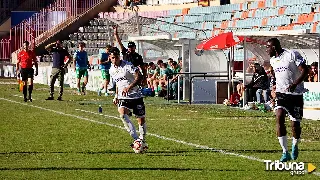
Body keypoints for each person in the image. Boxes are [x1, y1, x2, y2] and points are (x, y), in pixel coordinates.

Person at [266, 38, 308, 162]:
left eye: (268, 47)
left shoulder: (291, 54)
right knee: (279, 116)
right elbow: (274, 75)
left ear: (274, 47)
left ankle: (295, 145)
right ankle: (285, 152)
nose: (266, 49)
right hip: (281, 94)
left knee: (295, 125)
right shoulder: (273, 60)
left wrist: (295, 84)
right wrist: (273, 87)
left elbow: (305, 70)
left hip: (295, 95)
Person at [109, 47, 148, 151]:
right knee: (122, 114)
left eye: (116, 57)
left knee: (140, 120)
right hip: (123, 97)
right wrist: (116, 96)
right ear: (110, 58)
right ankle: (136, 139)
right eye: (113, 58)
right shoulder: (111, 69)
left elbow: (139, 76)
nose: (115, 60)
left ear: (119, 56)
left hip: (135, 96)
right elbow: (118, 84)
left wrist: (129, 87)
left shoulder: (128, 65)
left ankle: (142, 140)